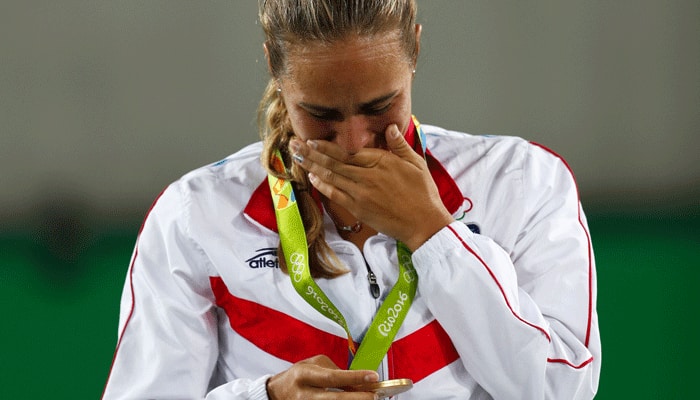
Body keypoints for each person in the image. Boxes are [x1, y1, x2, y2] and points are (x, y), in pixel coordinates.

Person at [101, 0, 601, 399]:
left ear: (415, 53)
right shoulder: (196, 217)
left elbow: (561, 388)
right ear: (275, 68)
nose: (354, 142)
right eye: (320, 115)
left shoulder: (521, 183)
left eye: (380, 108)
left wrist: (435, 234)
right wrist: (265, 397)